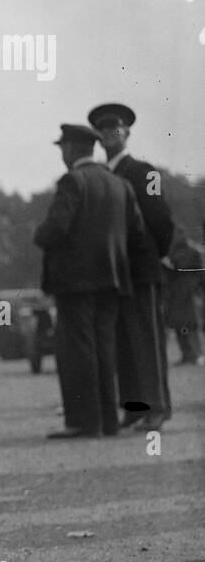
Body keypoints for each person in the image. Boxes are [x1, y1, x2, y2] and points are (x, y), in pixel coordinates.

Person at [33, 123, 147, 439]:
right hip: (111, 280)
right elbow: (136, 231)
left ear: (70, 149)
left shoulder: (73, 181)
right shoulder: (119, 184)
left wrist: (38, 234)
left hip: (74, 282)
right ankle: (108, 421)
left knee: (77, 351)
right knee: (104, 349)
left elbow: (55, 228)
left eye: (62, 150)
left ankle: (86, 421)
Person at [87, 103, 175, 429]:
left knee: (146, 340)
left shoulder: (144, 171)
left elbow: (161, 220)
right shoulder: (98, 176)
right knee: (123, 341)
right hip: (112, 272)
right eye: (104, 129)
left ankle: (157, 407)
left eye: (116, 127)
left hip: (140, 268)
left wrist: (154, 256)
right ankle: (135, 407)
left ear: (127, 132)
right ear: (97, 136)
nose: (110, 133)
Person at [164, 226, 204, 365]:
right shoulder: (189, 253)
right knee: (184, 325)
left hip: (183, 293)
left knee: (187, 325)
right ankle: (190, 353)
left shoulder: (179, 254)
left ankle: (193, 353)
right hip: (181, 293)